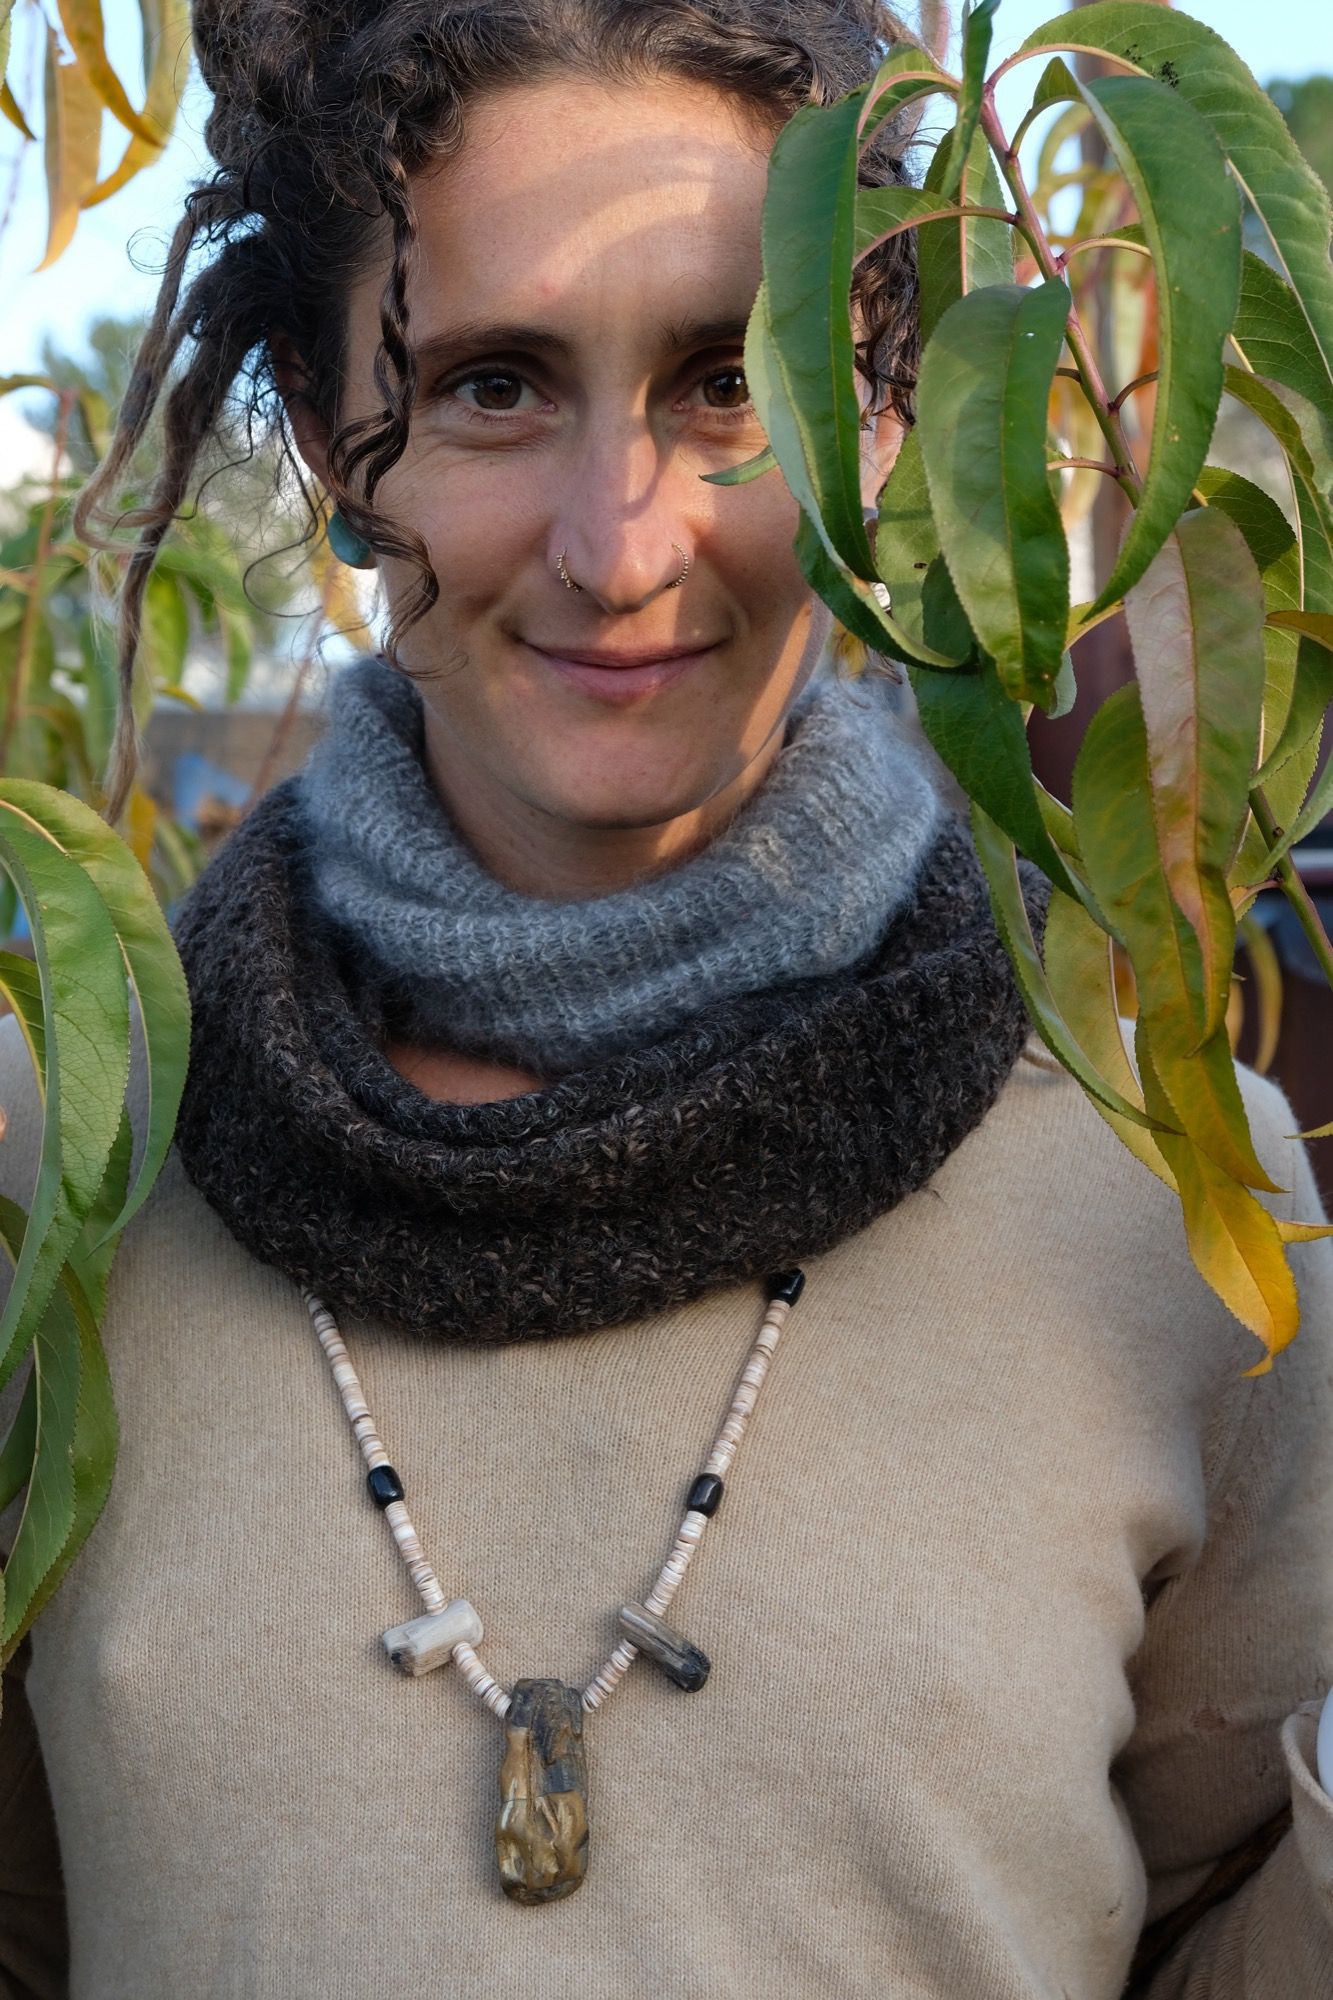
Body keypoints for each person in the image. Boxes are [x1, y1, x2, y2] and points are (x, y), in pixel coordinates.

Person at [1, 2, 1331, 1994]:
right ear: (311, 415)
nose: (619, 548)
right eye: (491, 387)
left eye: (732, 379)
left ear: (883, 403)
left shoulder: (1168, 1201)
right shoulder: (66, 1168)